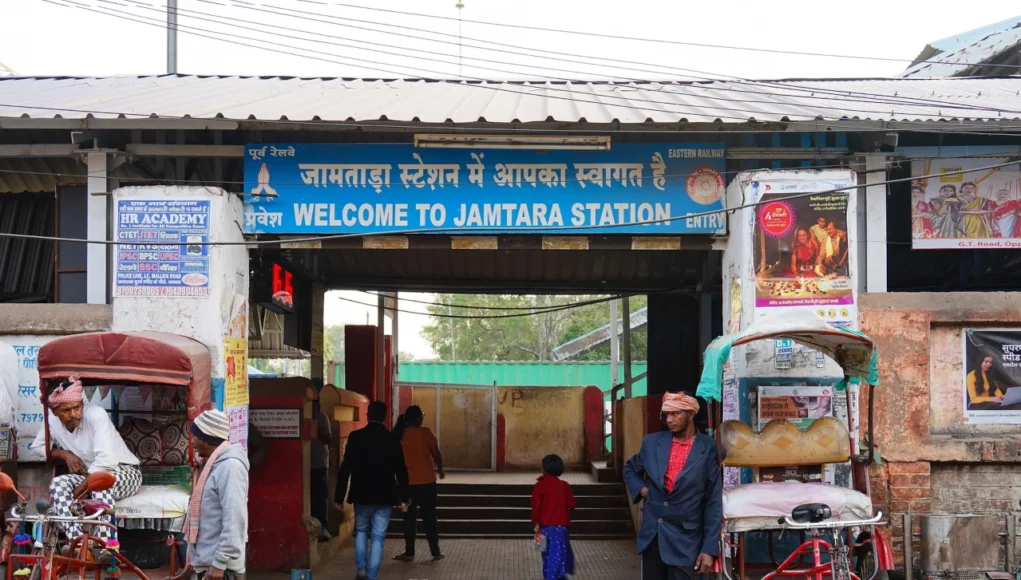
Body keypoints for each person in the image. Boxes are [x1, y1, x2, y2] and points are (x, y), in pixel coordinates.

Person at [28, 375, 142, 546]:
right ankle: (77, 543)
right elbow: (37, 448)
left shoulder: (96, 415)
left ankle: (105, 547)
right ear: (55, 411)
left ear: (82, 405)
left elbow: (105, 459)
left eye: (77, 408)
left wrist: (79, 491)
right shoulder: (51, 420)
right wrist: (64, 454)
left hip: (125, 471)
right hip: (89, 474)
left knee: (99, 485)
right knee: (57, 484)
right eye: (66, 411)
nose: (74, 414)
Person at [623, 392, 722, 580]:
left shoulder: (708, 448)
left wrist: (709, 549)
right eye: (666, 414)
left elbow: (713, 502)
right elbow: (630, 469)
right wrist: (644, 491)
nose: (669, 420)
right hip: (653, 537)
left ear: (690, 414)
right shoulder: (652, 443)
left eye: (675, 414)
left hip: (687, 541)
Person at [335, 402, 409, 580]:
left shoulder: (355, 437)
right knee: (378, 537)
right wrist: (405, 497)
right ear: (384, 417)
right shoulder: (392, 439)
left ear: (368, 415)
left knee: (361, 532)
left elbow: (345, 468)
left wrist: (339, 496)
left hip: (362, 494)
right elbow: (401, 470)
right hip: (385, 495)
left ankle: (361, 570)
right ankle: (372, 576)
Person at [182, 410, 250, 580]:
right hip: (209, 564)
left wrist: (219, 562)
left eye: (195, 436)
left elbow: (234, 519)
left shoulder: (230, 467)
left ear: (207, 438)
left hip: (222, 569)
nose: (192, 441)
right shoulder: (215, 465)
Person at [392, 405, 445, 562]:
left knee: (409, 518)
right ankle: (435, 552)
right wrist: (440, 469)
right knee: (429, 517)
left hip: (407, 484)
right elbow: (436, 454)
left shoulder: (399, 435)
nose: (422, 417)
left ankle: (409, 553)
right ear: (416, 418)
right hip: (428, 482)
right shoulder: (426, 433)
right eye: (421, 415)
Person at [532, 454, 576, 580]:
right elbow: (572, 503)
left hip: (545, 528)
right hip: (561, 528)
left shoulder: (539, 486)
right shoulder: (564, 485)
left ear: (544, 469)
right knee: (557, 557)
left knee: (547, 557)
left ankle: (551, 577)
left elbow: (536, 507)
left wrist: (536, 524)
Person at [310, 389, 333, 542]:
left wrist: (317, 431)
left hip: (319, 464)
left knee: (320, 498)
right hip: (304, 465)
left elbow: (329, 440)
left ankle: (323, 528)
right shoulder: (301, 415)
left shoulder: (322, 418)